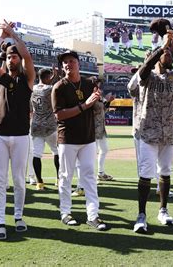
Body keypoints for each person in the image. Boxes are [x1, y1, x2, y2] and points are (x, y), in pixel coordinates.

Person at [130, 18, 173, 233]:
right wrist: (162, 46)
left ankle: (163, 211)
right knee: (146, 174)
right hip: (148, 132)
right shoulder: (147, 76)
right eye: (167, 54)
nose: (170, 56)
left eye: (171, 56)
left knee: (165, 172)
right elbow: (145, 68)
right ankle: (141, 215)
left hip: (169, 134)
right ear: (158, 57)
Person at [0, 20, 35, 240]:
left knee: (19, 180)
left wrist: (13, 34)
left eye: (14, 56)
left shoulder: (28, 78)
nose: (11, 59)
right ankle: (0, 221)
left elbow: (29, 57)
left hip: (22, 135)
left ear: (19, 59)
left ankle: (19, 216)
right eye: (8, 56)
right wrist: (2, 37)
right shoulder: (1, 78)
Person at [52, 50, 108, 231]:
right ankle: (65, 213)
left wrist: (99, 101)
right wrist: (85, 105)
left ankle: (93, 215)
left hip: (88, 138)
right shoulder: (59, 87)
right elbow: (59, 115)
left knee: (89, 178)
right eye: (65, 62)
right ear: (62, 67)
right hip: (67, 139)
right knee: (65, 177)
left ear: (79, 63)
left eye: (72, 61)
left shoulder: (89, 83)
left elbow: (97, 108)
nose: (69, 64)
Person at [30, 67, 60, 190]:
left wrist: (52, 77)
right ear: (48, 77)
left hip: (36, 125)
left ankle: (39, 183)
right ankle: (58, 179)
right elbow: (54, 88)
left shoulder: (32, 88)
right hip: (50, 126)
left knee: (37, 154)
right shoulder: (51, 88)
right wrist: (57, 76)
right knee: (56, 152)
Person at [92, 78, 115, 181]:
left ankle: (100, 173)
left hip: (101, 128)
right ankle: (90, 177)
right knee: (92, 153)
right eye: (97, 86)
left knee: (104, 149)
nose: (99, 88)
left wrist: (108, 102)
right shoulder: (90, 98)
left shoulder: (99, 97)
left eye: (99, 86)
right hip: (92, 128)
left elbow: (103, 110)